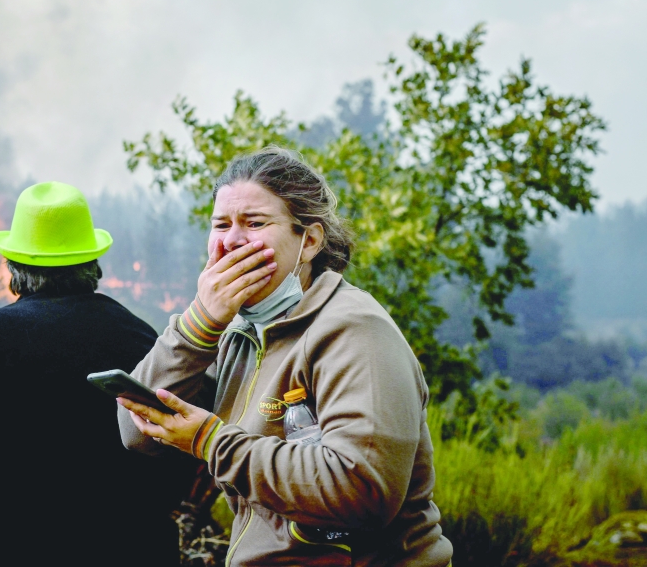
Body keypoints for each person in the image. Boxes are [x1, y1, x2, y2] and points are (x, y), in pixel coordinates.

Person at [117, 148, 454, 567]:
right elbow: (137, 432)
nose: (232, 240)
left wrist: (211, 441)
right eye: (221, 225)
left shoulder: (355, 330)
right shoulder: (240, 333)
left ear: (309, 241)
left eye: (254, 224)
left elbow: (361, 490)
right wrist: (198, 325)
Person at [0, 181, 192, 567]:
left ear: (15, 265)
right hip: (132, 549)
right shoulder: (140, 334)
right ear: (91, 262)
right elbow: (175, 455)